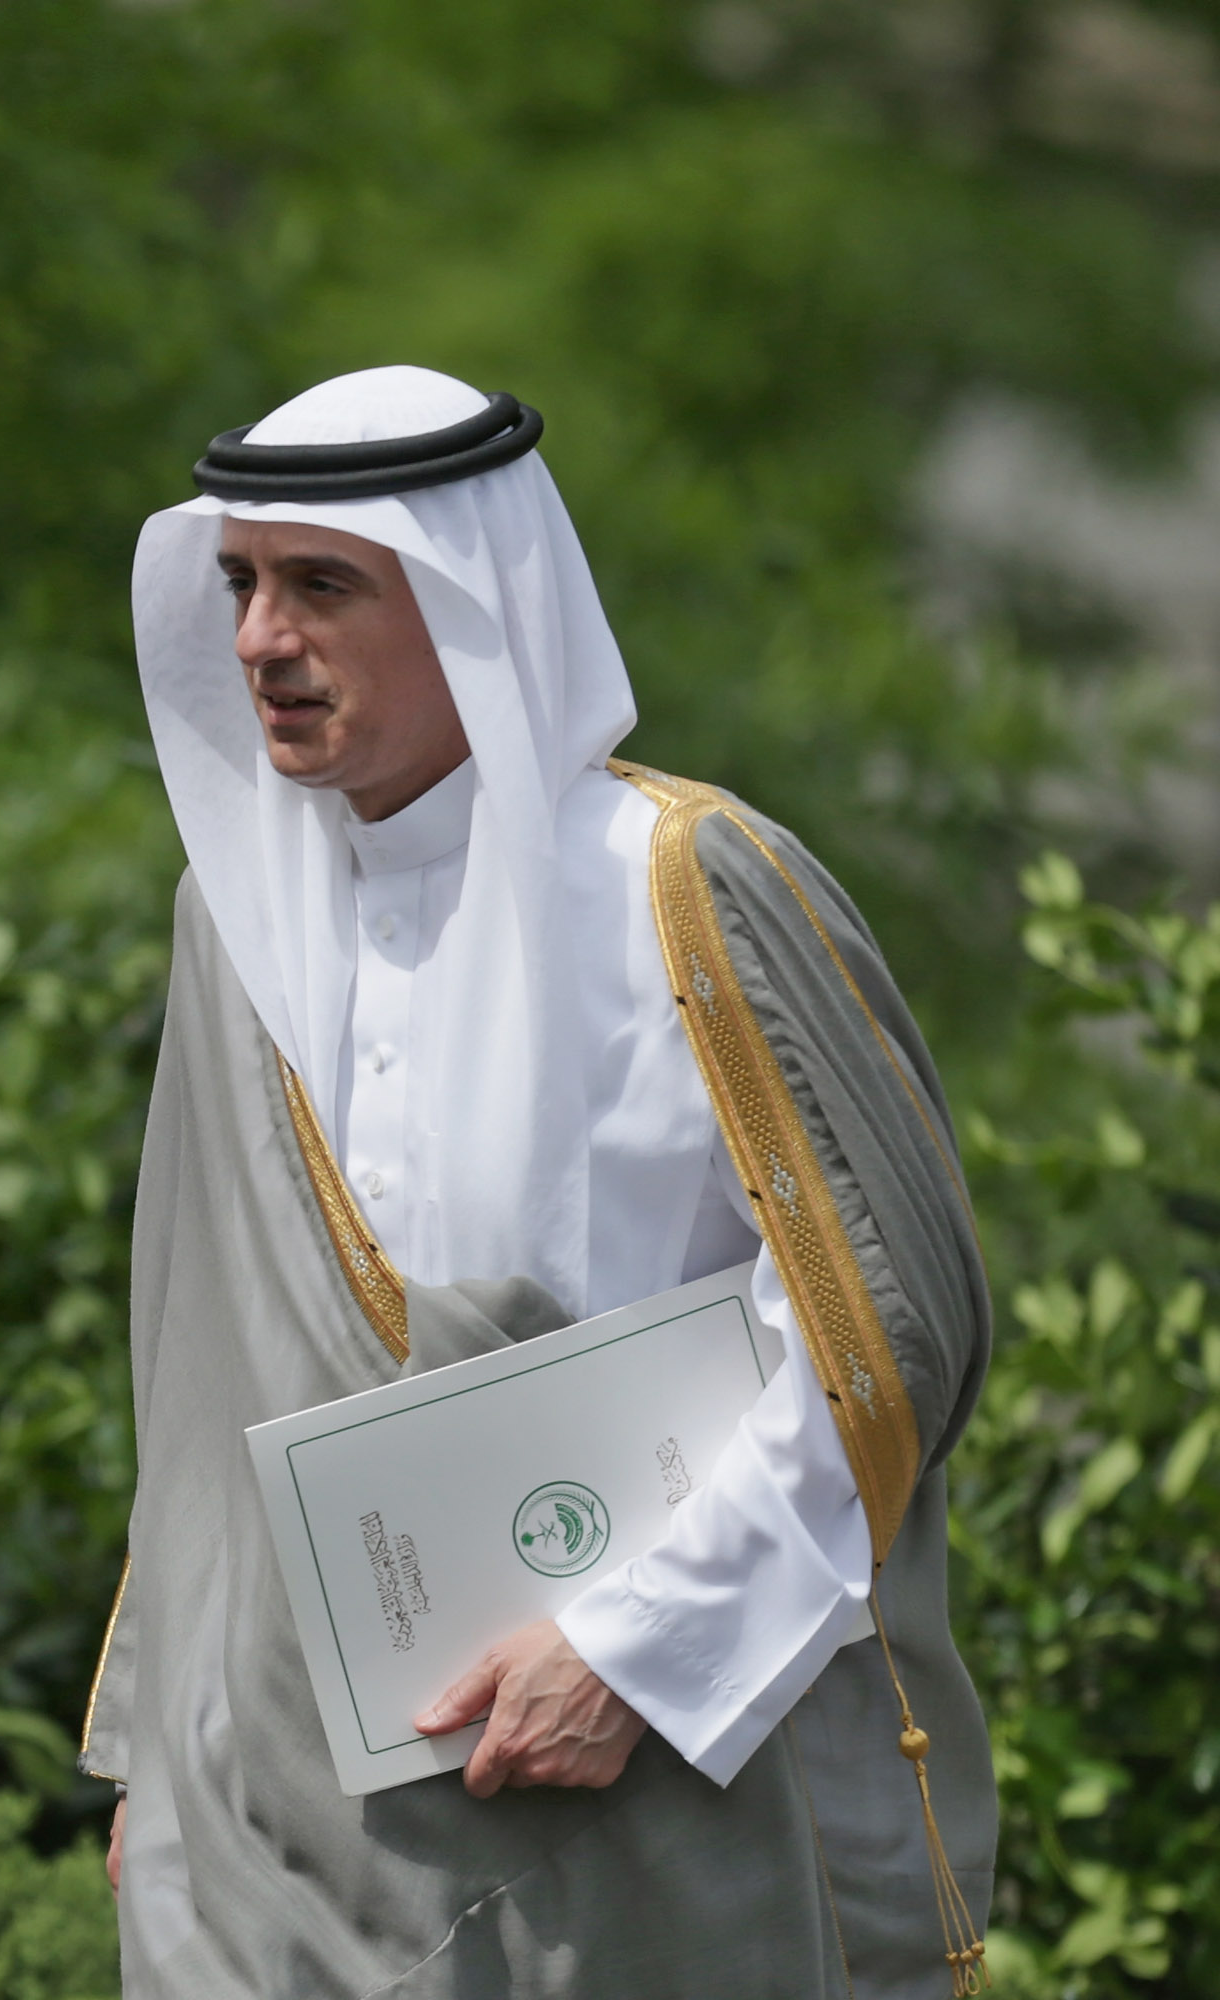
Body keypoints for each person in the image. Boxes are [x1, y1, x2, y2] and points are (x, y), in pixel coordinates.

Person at [82, 367, 994, 1996]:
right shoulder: (234, 921)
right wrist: (164, 1760)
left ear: (473, 605)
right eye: (238, 586)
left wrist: (637, 1654)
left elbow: (885, 1335)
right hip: (294, 1809)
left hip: (664, 1780)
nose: (258, 644)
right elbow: (198, 1368)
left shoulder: (691, 892)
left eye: (321, 587)